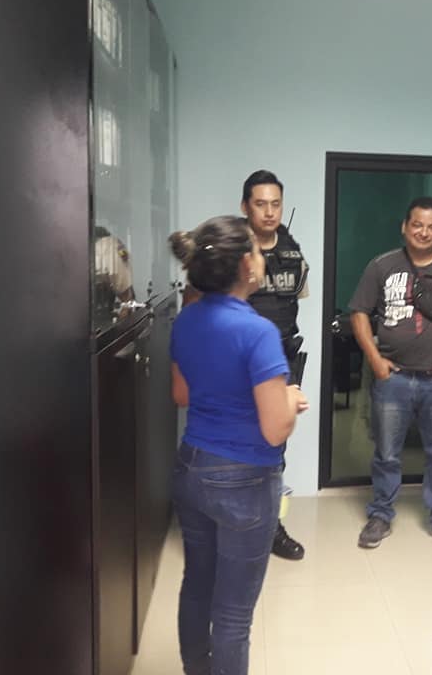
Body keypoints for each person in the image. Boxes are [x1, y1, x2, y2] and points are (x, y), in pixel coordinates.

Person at [168, 216, 309, 675]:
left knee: (196, 584)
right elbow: (275, 430)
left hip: (191, 468)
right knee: (232, 615)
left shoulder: (187, 319)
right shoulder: (258, 332)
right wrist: (290, 398)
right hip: (244, 481)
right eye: (257, 250)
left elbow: (181, 395)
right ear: (247, 265)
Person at [349, 196, 432, 552]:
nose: (424, 232)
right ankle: (381, 514)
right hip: (392, 379)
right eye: (417, 225)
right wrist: (375, 359)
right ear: (405, 227)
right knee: (386, 453)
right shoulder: (381, 266)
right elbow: (358, 313)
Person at [240, 169, 310, 561]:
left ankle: (270, 528)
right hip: (237, 366)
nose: (269, 212)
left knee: (274, 449)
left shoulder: (293, 251)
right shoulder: (232, 250)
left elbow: (297, 300)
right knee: (234, 448)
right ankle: (235, 529)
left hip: (280, 364)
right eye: (260, 204)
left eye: (276, 204)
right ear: (245, 207)